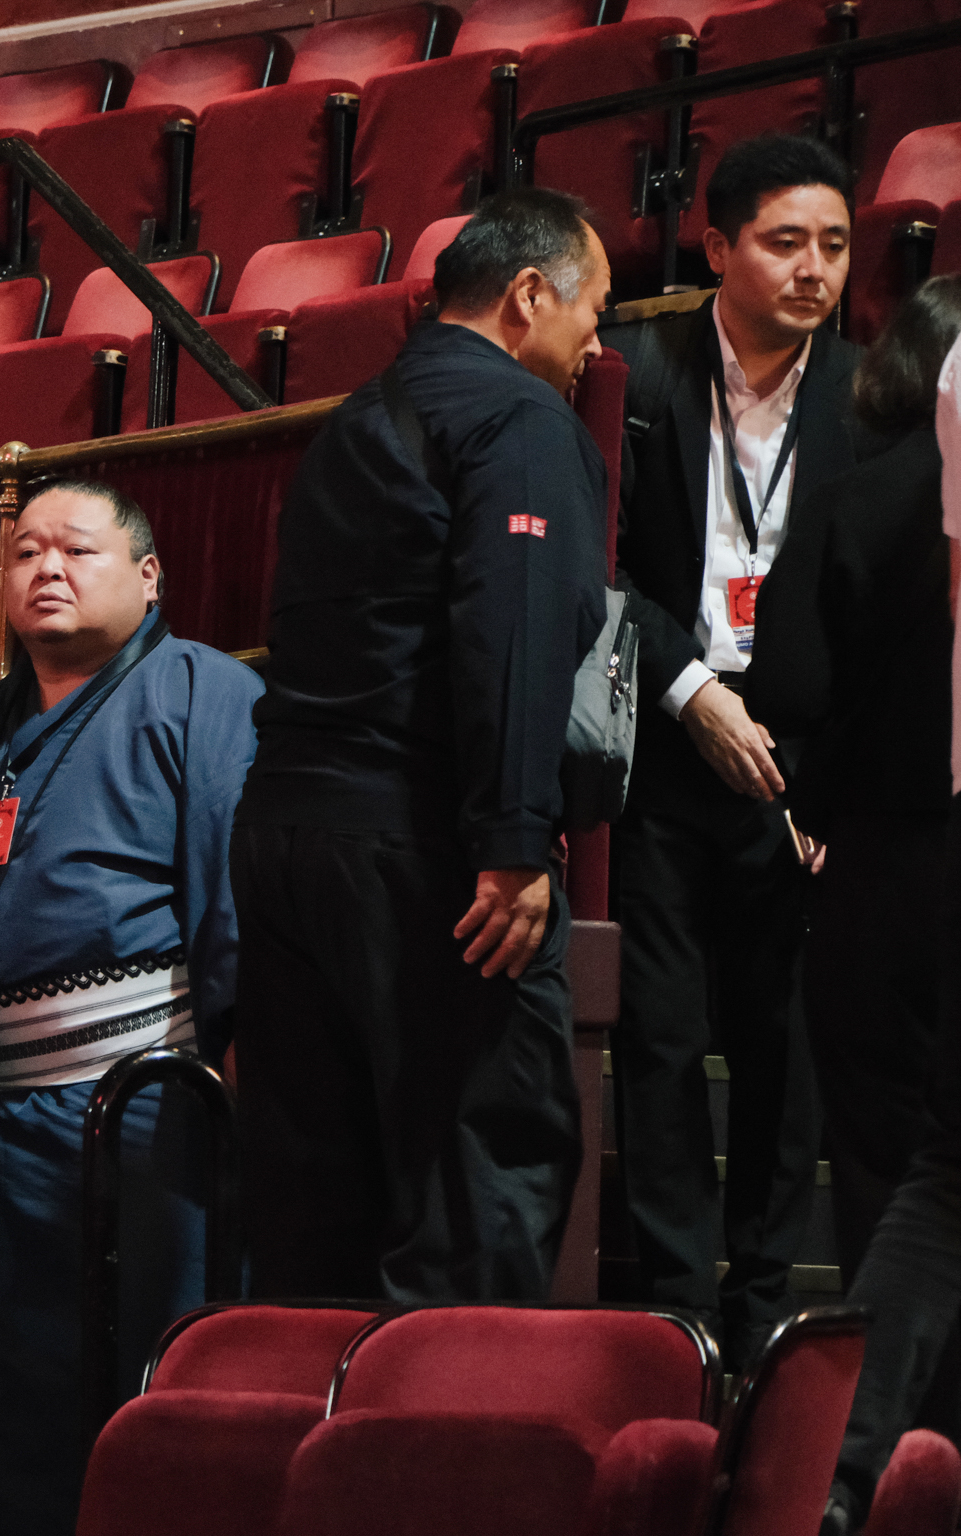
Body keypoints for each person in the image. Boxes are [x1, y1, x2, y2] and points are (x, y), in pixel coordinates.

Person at [233, 187, 613, 1301]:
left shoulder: (355, 418)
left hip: (286, 843)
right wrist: (513, 835)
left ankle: (324, 1468)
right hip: (424, 855)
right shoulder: (522, 420)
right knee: (474, 1210)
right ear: (529, 295)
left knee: (314, 1235)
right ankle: (447, 1473)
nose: (600, 337)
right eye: (595, 305)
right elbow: (515, 625)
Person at [0, 476, 261, 1536]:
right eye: (26, 552)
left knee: (145, 1381)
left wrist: (237, 1057)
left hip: (144, 1109)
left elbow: (237, 886)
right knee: (3, 1400)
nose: (45, 568)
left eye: (76, 551)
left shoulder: (202, 693)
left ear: (147, 576)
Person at [598, 133, 871, 1358]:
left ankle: (766, 1309)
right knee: (660, 1037)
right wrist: (693, 688)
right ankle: (672, 1309)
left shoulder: (867, 394)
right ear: (718, 247)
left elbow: (883, 606)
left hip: (803, 769)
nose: (813, 269)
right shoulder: (639, 373)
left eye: (834, 244)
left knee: (783, 1047)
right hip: (668, 743)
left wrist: (838, 787)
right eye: (784, 241)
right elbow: (597, 567)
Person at [752, 276, 961, 1286]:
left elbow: (788, 687)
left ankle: (901, 1428)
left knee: (885, 1161)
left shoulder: (848, 503)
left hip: (881, 869)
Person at [818, 312, 961, 1536]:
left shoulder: (866, 489)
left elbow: (803, 683)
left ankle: (852, 1470)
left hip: (886, 842)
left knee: (911, 1169)